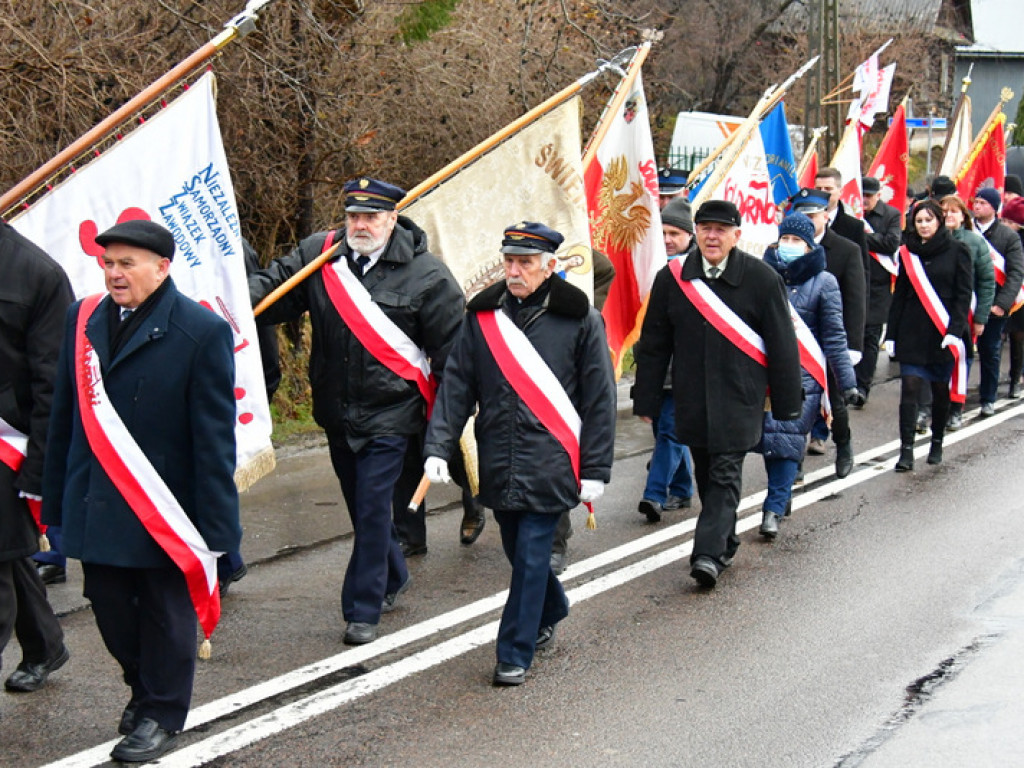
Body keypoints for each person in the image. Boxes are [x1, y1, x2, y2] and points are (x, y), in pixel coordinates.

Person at [42, 220, 241, 762]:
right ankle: (142, 685)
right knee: (107, 607)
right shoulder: (81, 321)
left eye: (127, 263)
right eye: (108, 263)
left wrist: (219, 531)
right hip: (98, 501)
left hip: (165, 511)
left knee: (164, 614)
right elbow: (65, 417)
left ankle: (160, 711)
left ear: (162, 267)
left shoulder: (201, 332)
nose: (114, 274)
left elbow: (213, 441)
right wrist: (52, 500)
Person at [249, 178, 464, 646]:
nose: (360, 225)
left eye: (371, 216)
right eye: (352, 216)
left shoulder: (430, 276)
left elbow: (454, 360)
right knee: (361, 509)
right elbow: (272, 295)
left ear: (392, 218)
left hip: (393, 415)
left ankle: (362, 608)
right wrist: (222, 300)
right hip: (335, 412)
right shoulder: (320, 256)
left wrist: (443, 432)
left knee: (371, 510)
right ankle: (393, 574)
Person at [423, 221, 616, 686]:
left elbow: (600, 400)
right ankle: (552, 605)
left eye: (525, 263)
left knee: (532, 557)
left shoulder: (581, 319)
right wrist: (438, 446)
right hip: (498, 456)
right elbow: (457, 385)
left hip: (552, 461)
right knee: (516, 551)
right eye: (510, 261)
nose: (514, 271)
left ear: (550, 267)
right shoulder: (484, 316)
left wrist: (596, 468)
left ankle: (514, 652)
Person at [633, 200, 802, 588]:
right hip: (691, 397)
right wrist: (646, 399)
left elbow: (781, 342)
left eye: (721, 229)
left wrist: (789, 402)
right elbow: (655, 343)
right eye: (705, 228)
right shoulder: (673, 278)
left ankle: (707, 555)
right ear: (696, 233)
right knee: (708, 475)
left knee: (725, 473)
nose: (712, 236)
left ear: (736, 236)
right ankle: (724, 540)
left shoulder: (760, 278)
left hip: (741, 397)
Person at [1, 223, 72, 709]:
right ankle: (46, 644)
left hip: (9, 443)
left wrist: (41, 469)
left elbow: (54, 381)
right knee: (7, 551)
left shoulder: (37, 273)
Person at [755, 213, 856, 538]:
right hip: (765, 374)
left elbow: (834, 338)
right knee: (770, 442)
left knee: (786, 439)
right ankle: (780, 496)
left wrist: (848, 382)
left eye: (796, 241)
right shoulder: (762, 275)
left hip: (804, 377)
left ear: (810, 245)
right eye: (785, 239)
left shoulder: (824, 282)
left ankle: (772, 509)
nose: (788, 245)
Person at [885, 200, 972, 471]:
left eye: (928, 220)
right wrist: (892, 333)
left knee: (938, 389)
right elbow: (899, 296)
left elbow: (963, 295)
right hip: (912, 330)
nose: (923, 225)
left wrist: (955, 331)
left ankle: (936, 441)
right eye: (919, 221)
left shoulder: (959, 250)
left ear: (939, 221)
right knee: (909, 386)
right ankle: (906, 450)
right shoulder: (907, 253)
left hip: (942, 331)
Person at [790, 188, 865, 478]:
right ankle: (793, 460)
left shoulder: (847, 250)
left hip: (832, 339)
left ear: (825, 215)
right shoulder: (788, 247)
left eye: (812, 214)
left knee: (837, 402)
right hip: (799, 338)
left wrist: (853, 346)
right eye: (802, 214)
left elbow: (856, 299)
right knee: (797, 403)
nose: (808, 220)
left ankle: (843, 445)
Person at [635, 197, 695, 523]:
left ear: (690, 235)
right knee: (665, 431)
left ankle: (654, 494)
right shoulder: (655, 266)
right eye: (664, 232)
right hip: (659, 367)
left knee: (671, 430)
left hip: (687, 370)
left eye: (676, 233)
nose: (669, 239)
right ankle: (683, 488)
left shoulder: (699, 269)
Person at [940, 195, 995, 431]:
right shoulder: (930, 240)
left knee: (960, 360)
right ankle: (930, 407)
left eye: (954, 211)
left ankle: (955, 408)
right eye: (943, 211)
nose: (948, 216)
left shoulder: (974, 242)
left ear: (963, 215)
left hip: (965, 312)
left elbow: (986, 281)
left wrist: (981, 317)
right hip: (937, 310)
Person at [972, 187, 1024, 416]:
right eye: (975, 201)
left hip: (993, 304)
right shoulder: (966, 230)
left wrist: (1002, 304)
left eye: (982, 203)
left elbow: (1015, 273)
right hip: (965, 301)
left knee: (990, 352)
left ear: (994, 207)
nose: (977, 206)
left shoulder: (1008, 237)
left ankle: (988, 397)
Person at [852, 176, 901, 406]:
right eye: (862, 195)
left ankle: (863, 386)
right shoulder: (851, 212)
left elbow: (891, 243)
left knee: (870, 337)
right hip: (855, 281)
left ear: (878, 196)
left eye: (869, 196)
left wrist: (863, 236)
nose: (864, 200)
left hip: (879, 285)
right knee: (853, 335)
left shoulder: (891, 215)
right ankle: (849, 383)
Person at [999, 197, 1024, 398]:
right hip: (1004, 292)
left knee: (1018, 338)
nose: (1005, 226)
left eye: (1009, 222)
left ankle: (1016, 378)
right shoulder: (1001, 238)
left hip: (1020, 295)